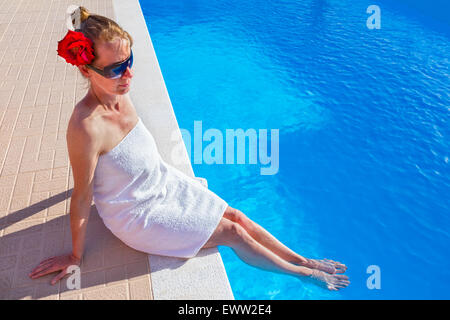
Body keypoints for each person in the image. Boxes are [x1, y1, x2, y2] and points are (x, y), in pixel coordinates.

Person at [29, 6, 349, 292]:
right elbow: (82, 196)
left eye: (129, 61)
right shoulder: (86, 126)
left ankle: (303, 260)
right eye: (115, 69)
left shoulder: (120, 93)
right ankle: (300, 275)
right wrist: (74, 255)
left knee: (236, 214)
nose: (129, 74)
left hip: (160, 184)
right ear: (86, 70)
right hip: (136, 214)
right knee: (232, 232)